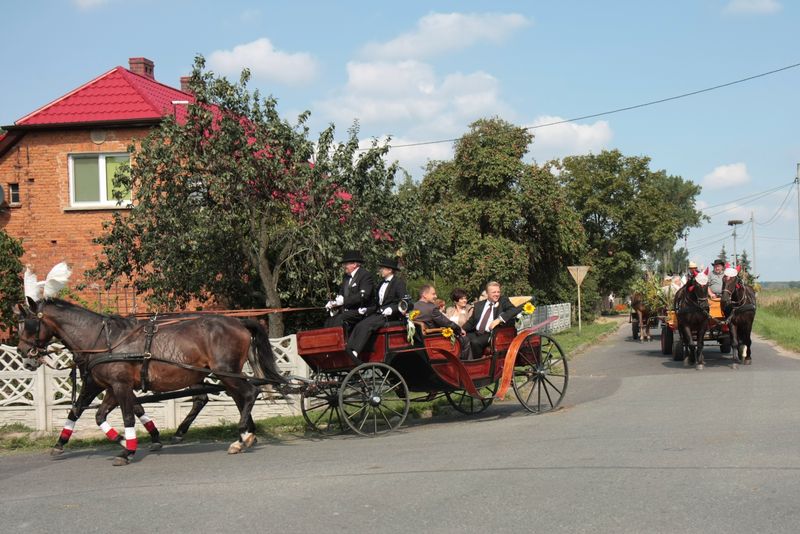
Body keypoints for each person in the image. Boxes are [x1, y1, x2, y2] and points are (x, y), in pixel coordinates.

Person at [345, 257, 408, 360]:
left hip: (390, 316)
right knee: (360, 324)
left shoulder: (398, 283)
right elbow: (377, 304)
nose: (380, 270)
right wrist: (367, 309)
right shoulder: (380, 284)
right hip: (379, 313)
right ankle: (350, 348)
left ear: (390, 270)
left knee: (367, 325)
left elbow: (404, 302)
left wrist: (392, 309)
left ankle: (356, 351)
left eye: (383, 268)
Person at [462, 281, 519, 359]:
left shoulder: (503, 301)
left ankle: (476, 365)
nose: (497, 294)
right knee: (460, 339)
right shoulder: (479, 305)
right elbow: (471, 321)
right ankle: (462, 363)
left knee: (475, 342)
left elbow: (513, 310)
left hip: (491, 334)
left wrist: (499, 319)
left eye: (498, 292)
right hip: (476, 332)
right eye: (494, 292)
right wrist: (462, 329)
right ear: (487, 293)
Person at [414, 285, 472, 360]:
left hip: (421, 339)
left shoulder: (414, 306)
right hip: (435, 337)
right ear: (424, 295)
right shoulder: (431, 308)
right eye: (433, 294)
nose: (436, 296)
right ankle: (465, 364)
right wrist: (460, 329)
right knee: (465, 339)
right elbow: (446, 323)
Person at [325, 250, 375, 329]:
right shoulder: (346, 277)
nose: (344, 266)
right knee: (329, 321)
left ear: (354, 264)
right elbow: (341, 293)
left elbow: (364, 296)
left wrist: (344, 301)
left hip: (360, 311)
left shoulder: (365, 275)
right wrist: (334, 304)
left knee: (338, 320)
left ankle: (344, 341)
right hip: (347, 312)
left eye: (346, 264)